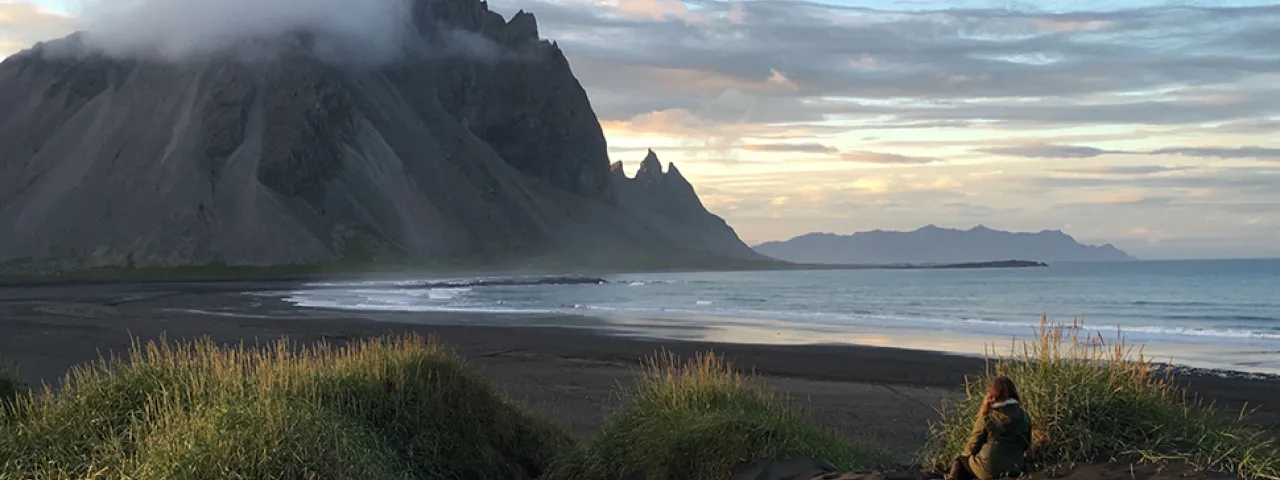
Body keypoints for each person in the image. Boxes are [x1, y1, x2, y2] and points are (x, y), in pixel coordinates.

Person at [947, 376, 1033, 480]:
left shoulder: (988, 417)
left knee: (959, 462)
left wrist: (966, 456)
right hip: (1015, 468)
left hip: (988, 469)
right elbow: (1026, 444)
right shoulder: (1024, 416)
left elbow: (972, 446)